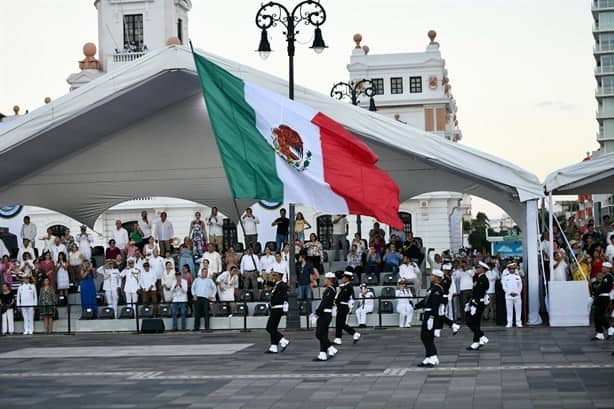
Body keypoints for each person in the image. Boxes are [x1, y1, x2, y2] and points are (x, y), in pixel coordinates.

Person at [415, 269, 444, 367]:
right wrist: (416, 306)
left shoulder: (438, 289)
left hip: (431, 315)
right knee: (425, 336)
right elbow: (426, 300)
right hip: (427, 314)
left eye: (432, 275)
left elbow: (435, 305)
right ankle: (428, 356)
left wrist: (431, 317)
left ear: (437, 278)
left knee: (427, 336)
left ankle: (433, 357)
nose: (431, 277)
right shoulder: (432, 288)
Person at [312, 272, 338, 361]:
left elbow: (324, 303)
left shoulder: (330, 290)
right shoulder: (330, 289)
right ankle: (322, 353)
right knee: (323, 335)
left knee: (319, 333)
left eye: (326, 279)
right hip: (326, 314)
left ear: (330, 280)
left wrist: (317, 313)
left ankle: (331, 348)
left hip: (325, 314)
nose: (325, 280)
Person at [466, 261, 490, 351]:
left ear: (482, 269)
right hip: (475, 302)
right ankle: (476, 342)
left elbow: (480, 293)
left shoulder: (483, 279)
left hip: (478, 303)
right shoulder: (479, 278)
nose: (476, 269)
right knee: (475, 323)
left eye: (478, 267)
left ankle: (481, 336)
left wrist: (475, 304)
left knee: (470, 321)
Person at [265, 270, 290, 353]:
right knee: (273, 328)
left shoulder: (282, 285)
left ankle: (283, 340)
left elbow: (283, 297)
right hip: (274, 308)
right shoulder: (277, 285)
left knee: (269, 327)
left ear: (279, 276)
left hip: (277, 308)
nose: (274, 277)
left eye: (275, 275)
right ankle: (273, 346)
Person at [334, 271, 360, 345]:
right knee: (338, 322)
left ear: (347, 278)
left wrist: (337, 301)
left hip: (344, 306)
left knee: (341, 323)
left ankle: (354, 333)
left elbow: (343, 297)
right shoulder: (344, 286)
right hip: (341, 306)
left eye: (344, 277)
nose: (342, 279)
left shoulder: (348, 287)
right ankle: (338, 338)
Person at [435, 263, 461, 336]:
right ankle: (438, 330)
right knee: (440, 314)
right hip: (442, 297)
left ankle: (453, 325)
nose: (443, 271)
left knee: (440, 314)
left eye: (444, 270)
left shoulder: (446, 279)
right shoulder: (444, 278)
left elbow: (441, 288)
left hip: (443, 298)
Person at [590, 262, 613, 341]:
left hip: (604, 297)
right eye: (603, 267)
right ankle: (599, 333)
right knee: (596, 316)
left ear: (608, 269)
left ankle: (609, 328)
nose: (602, 268)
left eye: (604, 267)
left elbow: (602, 288)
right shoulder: (605, 277)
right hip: (600, 297)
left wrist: (595, 293)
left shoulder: (608, 277)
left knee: (599, 315)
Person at [502, 262, 523, 328]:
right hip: (508, 296)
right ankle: (509, 322)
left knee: (518, 310)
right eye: (511, 269)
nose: (512, 270)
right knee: (509, 310)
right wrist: (509, 293)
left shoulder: (518, 276)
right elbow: (504, 287)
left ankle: (518, 322)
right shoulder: (505, 277)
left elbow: (520, 286)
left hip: (517, 296)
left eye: (513, 269)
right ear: (508, 269)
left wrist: (517, 293)